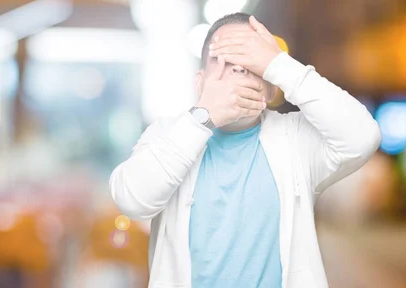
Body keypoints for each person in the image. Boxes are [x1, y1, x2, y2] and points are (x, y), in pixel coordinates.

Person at [109, 12, 381, 288]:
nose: (239, 68)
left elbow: (362, 137)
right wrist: (203, 116)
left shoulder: (296, 140)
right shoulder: (166, 134)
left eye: (251, 61)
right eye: (223, 59)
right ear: (200, 82)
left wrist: (279, 64)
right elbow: (132, 200)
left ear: (270, 89)